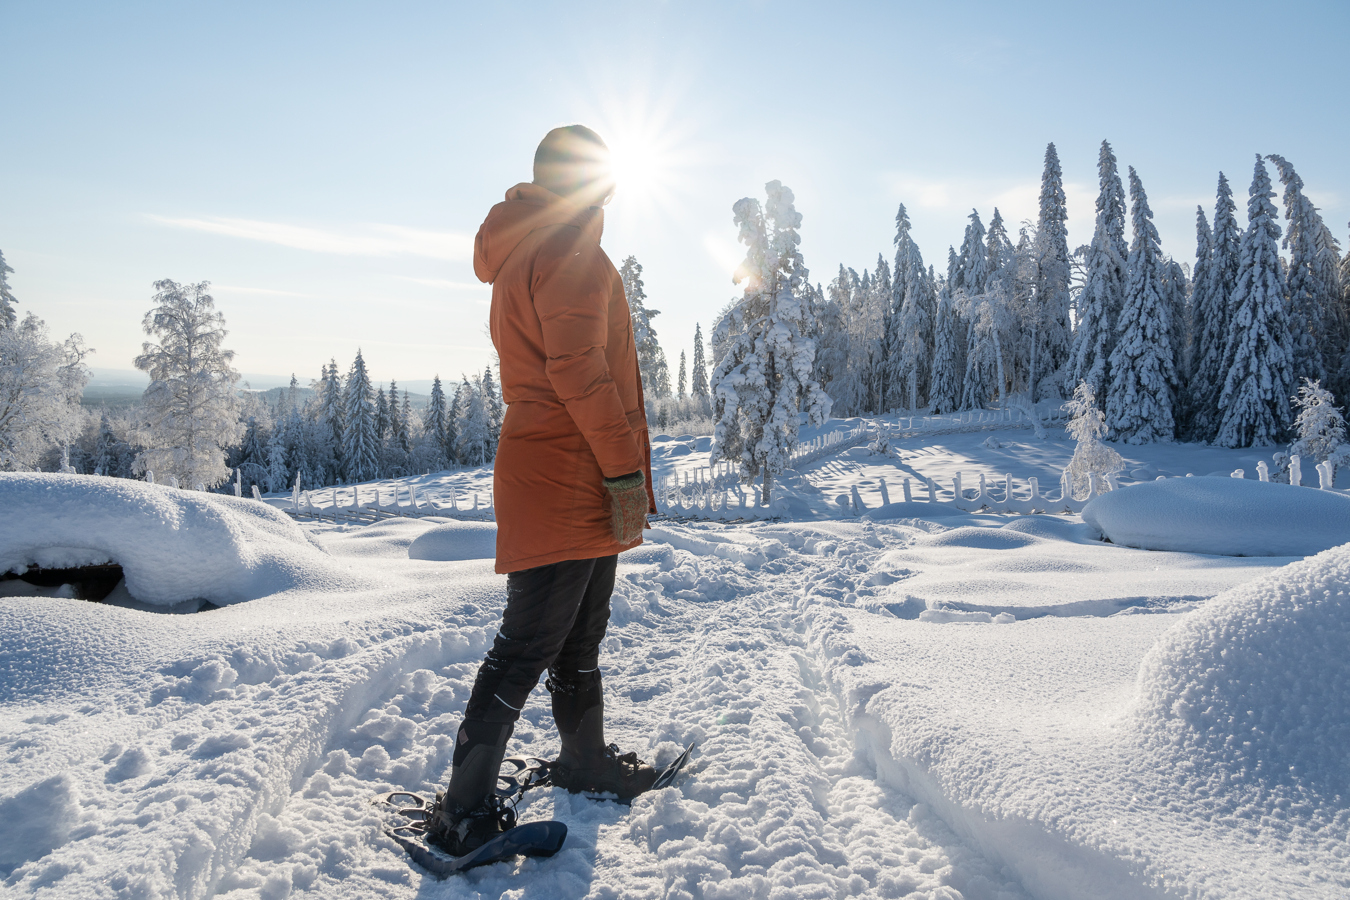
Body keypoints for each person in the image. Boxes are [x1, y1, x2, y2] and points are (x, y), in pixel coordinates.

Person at [424, 125, 659, 857]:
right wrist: (623, 468)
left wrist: (614, 470)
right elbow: (578, 372)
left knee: (579, 636)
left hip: (569, 467)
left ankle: (583, 760)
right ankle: (463, 812)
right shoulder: (565, 247)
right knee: (527, 644)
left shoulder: (541, 243)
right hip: (567, 469)